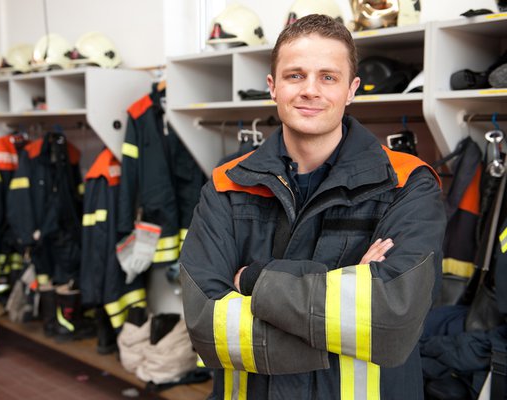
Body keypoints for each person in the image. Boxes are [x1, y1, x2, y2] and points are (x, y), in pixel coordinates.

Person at [179, 14, 446, 400]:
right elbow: (207, 326)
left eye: (328, 77)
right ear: (272, 86)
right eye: (295, 75)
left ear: (351, 89)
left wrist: (253, 280)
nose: (310, 90)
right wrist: (348, 300)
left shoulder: (408, 184)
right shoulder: (227, 185)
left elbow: (392, 320)